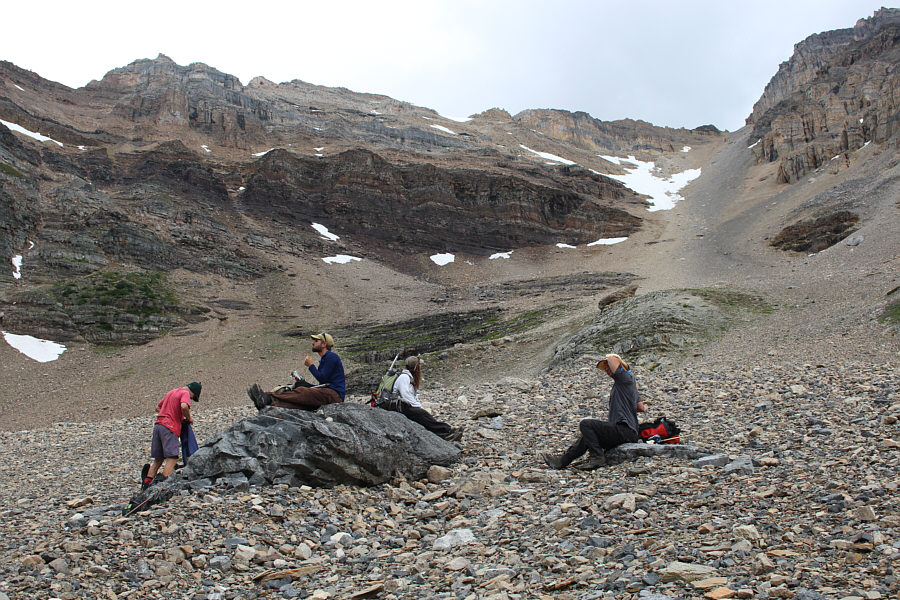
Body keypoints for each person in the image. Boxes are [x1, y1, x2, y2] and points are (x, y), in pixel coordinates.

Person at [542, 354, 645, 470]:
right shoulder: (627, 384)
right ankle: (562, 461)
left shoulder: (625, 378)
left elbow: (613, 359)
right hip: (628, 432)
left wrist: (609, 357)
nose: (607, 370)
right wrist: (626, 404)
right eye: (605, 368)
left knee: (586, 424)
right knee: (588, 436)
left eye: (608, 367)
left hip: (625, 429)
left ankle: (597, 457)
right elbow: (641, 407)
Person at [248, 332, 345, 410]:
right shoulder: (325, 359)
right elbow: (324, 381)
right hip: (326, 392)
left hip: (334, 394)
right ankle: (269, 405)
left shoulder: (331, 357)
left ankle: (268, 397)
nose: (313, 343)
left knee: (303, 391)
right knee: (300, 387)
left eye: (316, 341)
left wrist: (311, 366)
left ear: (324, 344)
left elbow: (322, 378)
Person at [143, 382, 201, 489]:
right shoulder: (185, 393)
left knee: (158, 459)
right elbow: (184, 406)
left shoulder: (172, 392)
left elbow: (158, 407)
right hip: (170, 428)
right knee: (172, 458)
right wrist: (188, 418)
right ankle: (164, 486)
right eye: (193, 397)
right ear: (193, 392)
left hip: (158, 426)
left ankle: (147, 483)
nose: (191, 398)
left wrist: (169, 413)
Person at [393, 356, 464, 441]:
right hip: (398, 407)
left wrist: (419, 407)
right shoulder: (404, 377)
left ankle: (444, 433)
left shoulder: (409, 378)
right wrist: (418, 407)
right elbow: (406, 396)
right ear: (416, 367)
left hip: (404, 405)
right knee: (420, 414)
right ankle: (447, 431)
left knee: (423, 416)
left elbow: (413, 396)